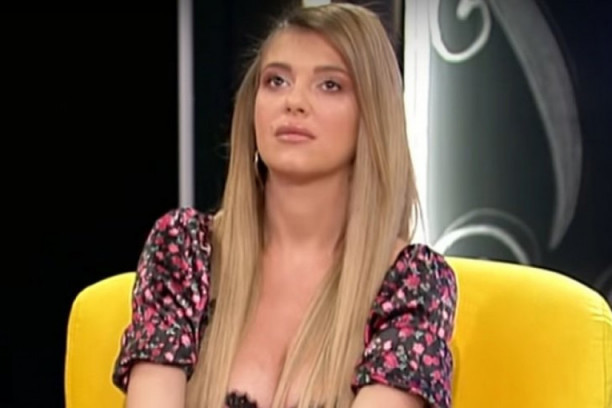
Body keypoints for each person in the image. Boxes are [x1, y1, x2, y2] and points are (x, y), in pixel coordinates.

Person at [111, 3, 457, 408]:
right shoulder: (184, 252)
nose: (294, 101)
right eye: (276, 81)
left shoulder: (413, 283)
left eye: (330, 85)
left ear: (372, 116)